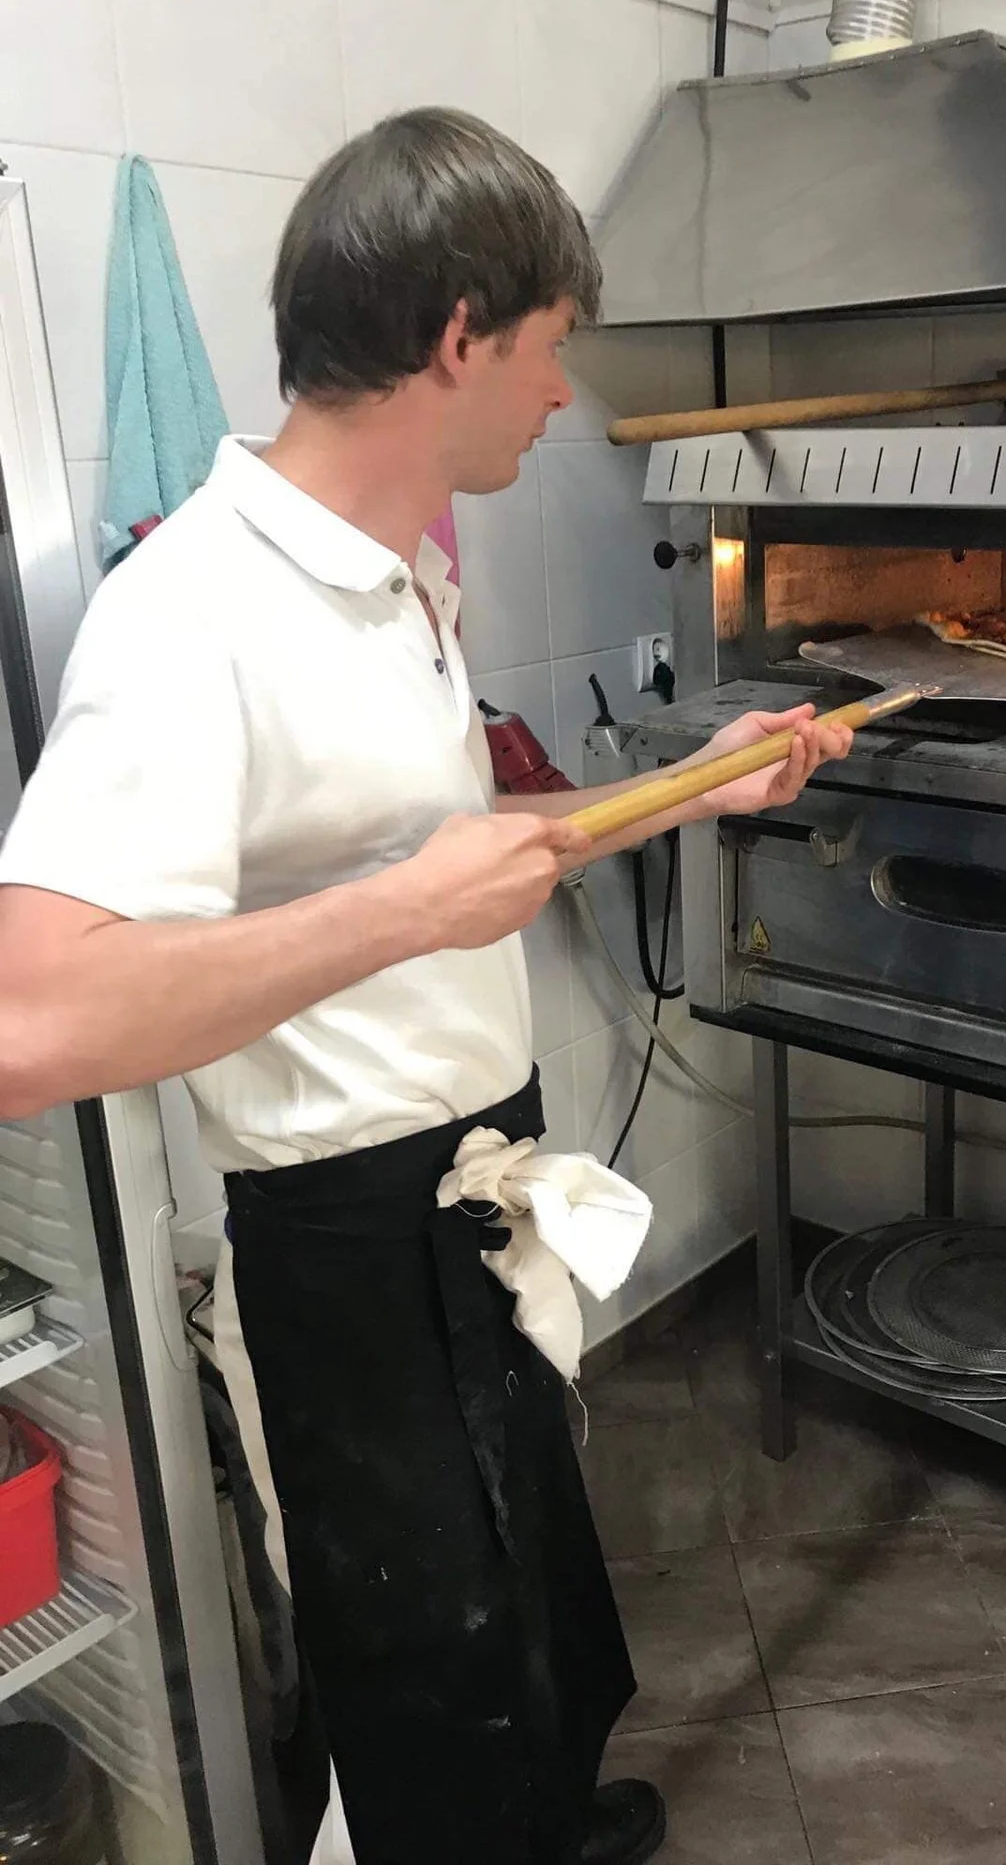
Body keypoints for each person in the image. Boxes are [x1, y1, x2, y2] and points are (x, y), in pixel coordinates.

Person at [0, 107, 851, 1865]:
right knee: (419, 1668)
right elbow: (35, 1021)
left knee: (523, 1595)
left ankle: (540, 1820)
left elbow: (444, 851)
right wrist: (400, 915)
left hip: (475, 1182)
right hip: (339, 1249)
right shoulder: (191, 612)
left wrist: (697, 785)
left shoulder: (399, 580)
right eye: (549, 347)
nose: (561, 392)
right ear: (461, 333)